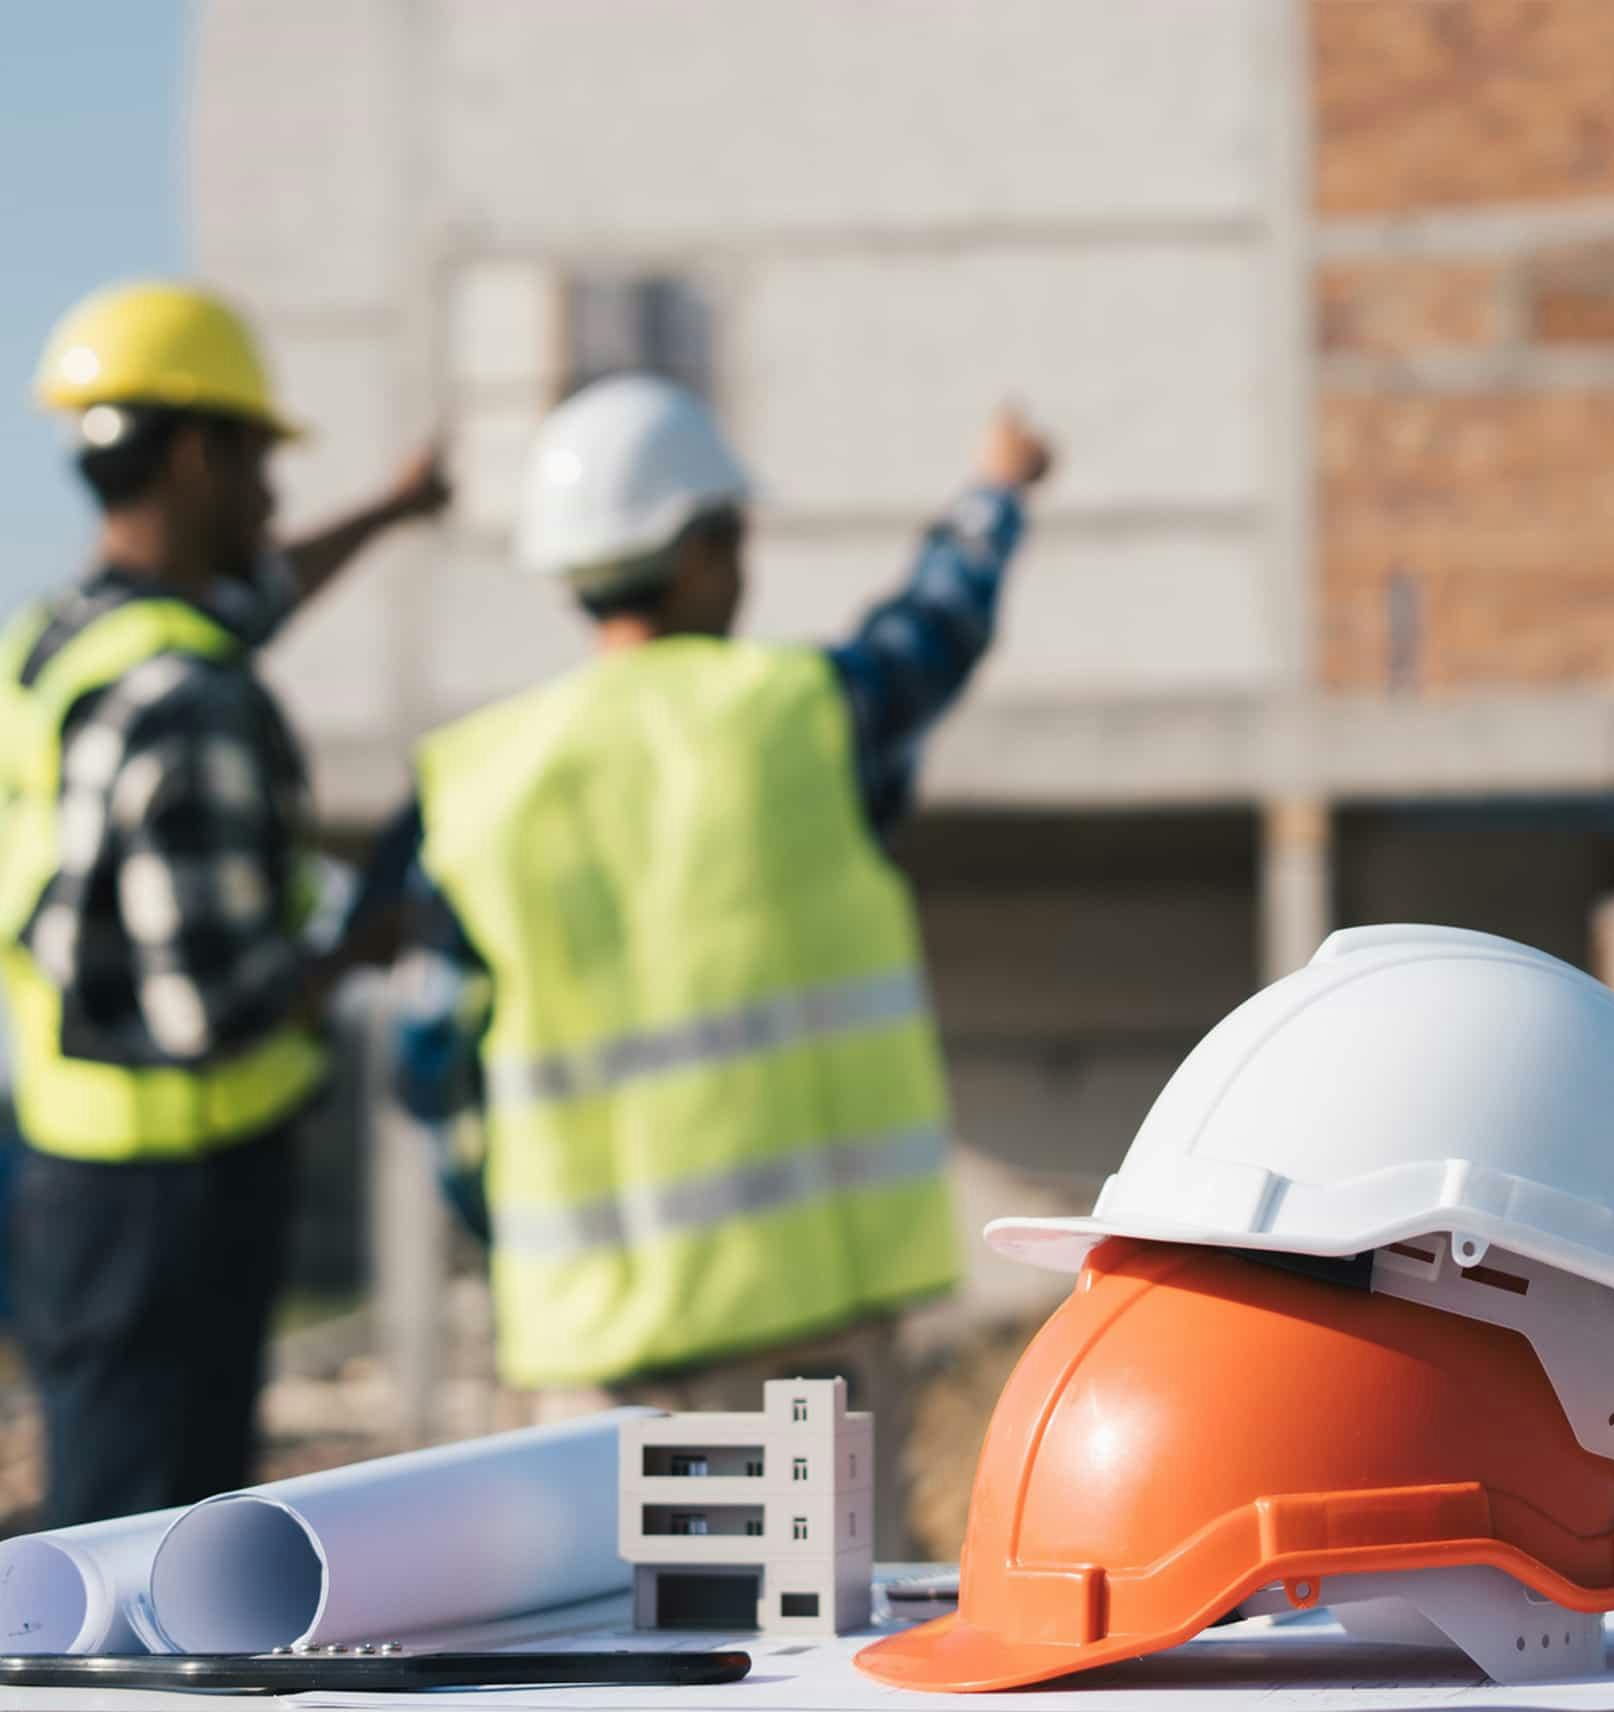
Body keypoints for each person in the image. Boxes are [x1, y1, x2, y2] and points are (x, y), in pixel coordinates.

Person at [393, 373, 1051, 1551]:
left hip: (587, 1356)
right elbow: (930, 632)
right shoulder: (795, 715)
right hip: (800, 1342)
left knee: (612, 1662)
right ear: (695, 552)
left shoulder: (477, 782)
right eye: (734, 536)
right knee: (806, 1658)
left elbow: (428, 1064)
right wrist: (991, 496)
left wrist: (525, 1254)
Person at [1, 280, 449, 1528]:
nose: (275, 494)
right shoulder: (191, 701)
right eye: (260, 457)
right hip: (173, 1198)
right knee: (153, 1558)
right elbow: (212, 1004)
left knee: (104, 1526)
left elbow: (252, 594)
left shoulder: (59, 643)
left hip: (74, 1167)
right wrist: (361, 940)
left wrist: (394, 510)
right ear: (196, 452)